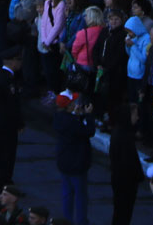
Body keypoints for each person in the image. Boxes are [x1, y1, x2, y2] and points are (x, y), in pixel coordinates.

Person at [53, 90, 95, 225]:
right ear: (69, 106)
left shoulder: (59, 118)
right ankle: (82, 222)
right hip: (77, 163)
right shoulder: (71, 121)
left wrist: (76, 116)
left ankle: (67, 220)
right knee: (81, 196)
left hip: (64, 161)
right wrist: (88, 116)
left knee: (67, 193)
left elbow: (75, 128)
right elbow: (89, 131)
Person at [0, 44, 25, 183]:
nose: (21, 64)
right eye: (19, 60)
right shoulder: (8, 79)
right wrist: (19, 123)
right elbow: (12, 105)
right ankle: (5, 181)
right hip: (8, 123)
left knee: (0, 151)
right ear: (13, 61)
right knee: (8, 153)